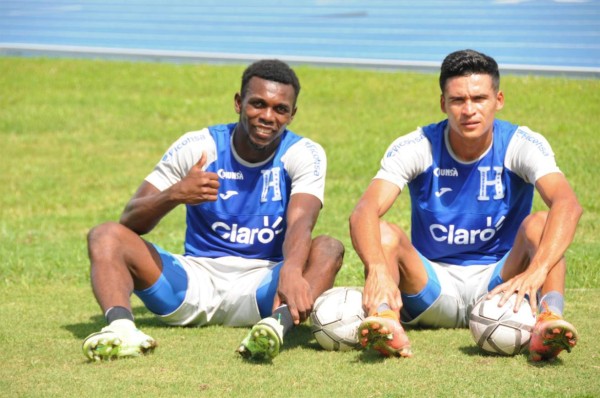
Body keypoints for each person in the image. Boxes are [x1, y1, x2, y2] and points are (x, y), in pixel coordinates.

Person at [82, 59, 344, 362]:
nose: (268, 116)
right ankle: (122, 331)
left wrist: (292, 269)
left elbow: (301, 221)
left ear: (292, 114)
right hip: (194, 283)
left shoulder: (303, 153)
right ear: (238, 102)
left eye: (280, 109)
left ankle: (273, 328)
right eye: (258, 104)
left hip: (264, 286)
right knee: (104, 235)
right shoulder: (198, 146)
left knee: (328, 247)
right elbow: (129, 222)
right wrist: (175, 194)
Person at [349, 49, 581, 361]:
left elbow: (567, 203)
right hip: (431, 286)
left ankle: (549, 320)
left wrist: (537, 271)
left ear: (498, 100)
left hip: (502, 286)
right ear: (443, 103)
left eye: (479, 99)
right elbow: (364, 210)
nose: (468, 110)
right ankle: (385, 322)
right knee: (383, 232)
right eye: (458, 100)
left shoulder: (520, 143)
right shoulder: (418, 145)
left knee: (540, 223)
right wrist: (377, 268)